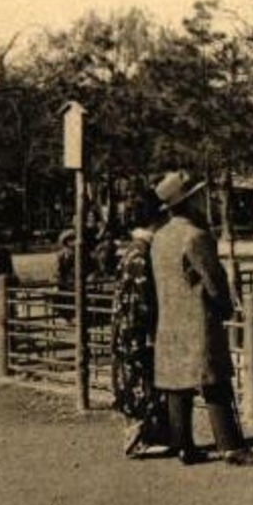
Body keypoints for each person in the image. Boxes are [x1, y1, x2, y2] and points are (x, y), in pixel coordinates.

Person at [149, 171, 253, 466]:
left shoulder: (159, 238)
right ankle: (230, 446)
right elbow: (214, 279)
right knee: (215, 380)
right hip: (198, 318)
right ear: (188, 202)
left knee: (176, 384)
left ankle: (183, 445)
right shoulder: (196, 236)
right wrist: (225, 307)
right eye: (197, 196)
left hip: (169, 321)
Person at [111, 195, 168, 458]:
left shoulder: (133, 250)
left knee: (137, 382)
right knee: (141, 383)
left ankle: (145, 436)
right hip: (137, 331)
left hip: (127, 329)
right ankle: (139, 439)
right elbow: (141, 300)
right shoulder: (141, 254)